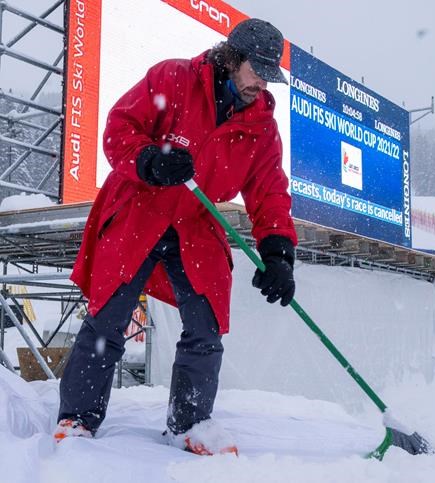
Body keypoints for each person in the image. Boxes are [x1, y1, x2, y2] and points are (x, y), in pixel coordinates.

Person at [54, 18, 298, 456]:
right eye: (256, 69)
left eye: (268, 74)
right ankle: (77, 417)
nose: (262, 82)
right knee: (108, 317)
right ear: (233, 57)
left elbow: (270, 191)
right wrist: (150, 159)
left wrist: (278, 249)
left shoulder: (261, 125)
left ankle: (190, 424)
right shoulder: (175, 78)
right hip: (140, 208)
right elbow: (119, 127)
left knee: (206, 326)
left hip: (195, 222)